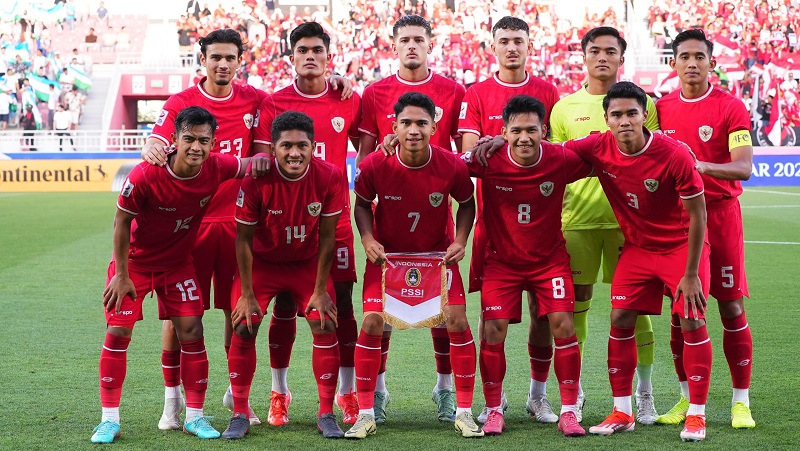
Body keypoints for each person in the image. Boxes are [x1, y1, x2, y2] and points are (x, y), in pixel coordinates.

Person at [141, 28, 352, 430]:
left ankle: (235, 398)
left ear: (241, 60)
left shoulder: (257, 100)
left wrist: (336, 79)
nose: (222, 64)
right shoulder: (181, 103)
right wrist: (150, 145)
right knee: (180, 315)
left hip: (241, 225)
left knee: (234, 311)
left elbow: (297, 113)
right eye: (215, 57)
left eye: (230, 58)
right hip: (192, 225)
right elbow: (155, 141)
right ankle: (172, 400)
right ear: (201, 59)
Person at [89, 106, 268, 444]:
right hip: (134, 265)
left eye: (203, 140)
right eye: (188, 139)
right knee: (118, 331)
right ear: (174, 139)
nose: (196, 147)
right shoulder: (146, 174)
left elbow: (249, 164)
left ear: (214, 143)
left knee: (192, 330)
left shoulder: (216, 167)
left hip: (177, 265)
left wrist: (282, 157)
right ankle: (109, 419)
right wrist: (122, 274)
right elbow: (121, 223)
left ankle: (195, 417)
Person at [561, 82, 712, 442]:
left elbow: (698, 216)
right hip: (639, 249)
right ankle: (623, 410)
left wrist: (690, 275)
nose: (624, 120)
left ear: (645, 115)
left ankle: (696, 414)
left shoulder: (674, 154)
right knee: (620, 317)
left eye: (632, 113)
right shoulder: (598, 145)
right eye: (617, 114)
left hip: (681, 248)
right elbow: (548, 152)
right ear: (606, 119)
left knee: (691, 320)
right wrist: (502, 142)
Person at [346, 92, 482, 439]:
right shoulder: (376, 164)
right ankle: (369, 406)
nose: (414, 129)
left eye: (421, 123)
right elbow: (361, 204)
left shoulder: (451, 164)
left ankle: (459, 406)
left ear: (434, 127)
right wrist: (367, 239)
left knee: (455, 318)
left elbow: (467, 204)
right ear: (394, 127)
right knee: (375, 322)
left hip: (436, 258)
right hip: (388, 257)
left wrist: (460, 240)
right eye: (406, 123)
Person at [356, 14, 467, 425]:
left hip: (436, 231)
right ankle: (377, 395)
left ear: (430, 43)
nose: (412, 46)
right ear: (394, 44)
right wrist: (382, 154)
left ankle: (444, 391)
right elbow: (365, 162)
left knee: (445, 317)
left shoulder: (453, 91)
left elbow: (461, 154)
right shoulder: (375, 92)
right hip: (391, 236)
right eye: (405, 40)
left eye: (419, 39)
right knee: (379, 319)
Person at [252, 21, 363, 427]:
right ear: (292, 56)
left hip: (335, 221)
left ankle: (347, 393)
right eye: (302, 50)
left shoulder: (348, 98)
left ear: (328, 56)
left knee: (342, 307)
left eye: (318, 49)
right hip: (286, 224)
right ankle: (279, 392)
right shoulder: (273, 104)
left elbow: (365, 154)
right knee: (283, 304)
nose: (310, 56)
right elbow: (263, 166)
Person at [549, 26, 661, 424]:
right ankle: (574, 392)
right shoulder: (564, 108)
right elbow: (556, 162)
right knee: (573, 309)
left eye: (610, 51)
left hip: (628, 226)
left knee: (636, 309)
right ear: (583, 56)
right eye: (594, 50)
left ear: (620, 57)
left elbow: (653, 159)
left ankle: (644, 393)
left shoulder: (642, 104)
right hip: (577, 222)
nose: (602, 57)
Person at [462, 95, 588, 437]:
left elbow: (601, 157)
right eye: (515, 130)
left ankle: (567, 409)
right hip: (502, 262)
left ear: (543, 130)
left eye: (532, 130)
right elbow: (445, 165)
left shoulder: (560, 158)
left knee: (562, 323)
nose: (524, 137)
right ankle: (492, 409)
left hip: (549, 261)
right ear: (503, 132)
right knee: (493, 329)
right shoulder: (488, 159)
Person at [457, 16, 560, 424]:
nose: (512, 47)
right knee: (492, 319)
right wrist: (497, 140)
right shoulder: (478, 93)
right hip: (494, 227)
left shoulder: (549, 91)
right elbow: (470, 155)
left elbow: (554, 148)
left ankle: (538, 396)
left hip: (542, 224)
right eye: (505, 41)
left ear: (529, 45)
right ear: (493, 47)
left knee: (544, 314)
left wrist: (514, 140)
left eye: (519, 40)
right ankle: (493, 403)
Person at [222, 111, 347, 440]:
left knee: (325, 319)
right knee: (243, 322)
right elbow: (243, 241)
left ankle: (326, 413)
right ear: (273, 149)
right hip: (262, 264)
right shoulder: (255, 180)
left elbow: (328, 238)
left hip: (306, 263)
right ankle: (239, 412)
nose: (295, 152)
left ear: (313, 146)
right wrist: (247, 294)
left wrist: (321, 290)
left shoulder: (331, 176)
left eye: (302, 145)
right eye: (286, 146)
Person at [656, 28, 756, 430]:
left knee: (731, 306)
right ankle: (685, 399)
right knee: (683, 313)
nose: (692, 63)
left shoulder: (731, 107)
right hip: (679, 220)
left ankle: (740, 402)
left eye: (700, 56)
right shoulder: (660, 108)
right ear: (674, 63)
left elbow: (744, 168)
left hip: (720, 214)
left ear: (712, 62)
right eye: (685, 56)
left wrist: (698, 164)